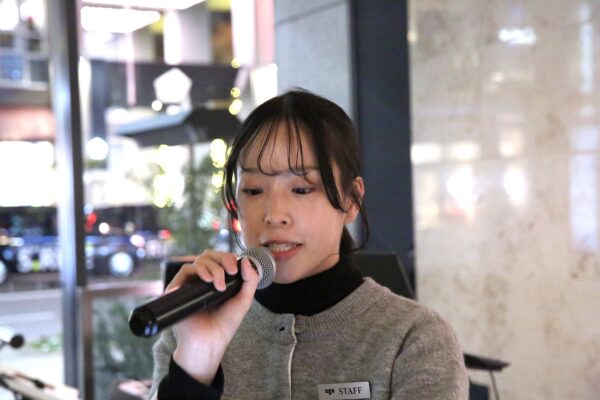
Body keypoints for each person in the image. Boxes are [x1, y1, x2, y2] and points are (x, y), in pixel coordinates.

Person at [148, 89, 469, 399]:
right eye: (254, 190)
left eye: (301, 189)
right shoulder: (190, 328)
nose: (274, 215)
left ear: (351, 200)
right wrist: (196, 363)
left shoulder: (414, 338)